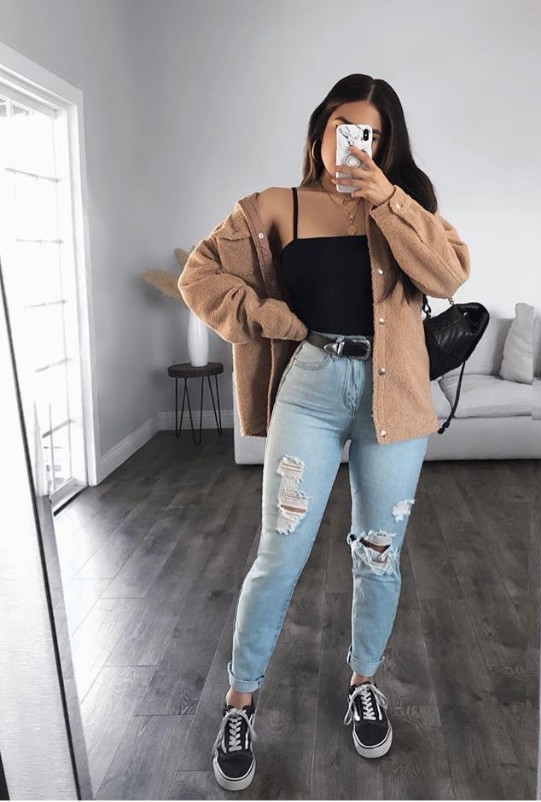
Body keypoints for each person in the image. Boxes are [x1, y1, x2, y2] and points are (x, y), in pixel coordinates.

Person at [178, 72, 470, 791]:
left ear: (386, 143)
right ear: (320, 131)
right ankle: (240, 702)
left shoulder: (406, 203)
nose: (354, 143)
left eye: (370, 133)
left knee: (379, 552)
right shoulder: (275, 207)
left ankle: (363, 681)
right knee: (279, 552)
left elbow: (448, 274)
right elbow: (199, 276)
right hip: (310, 387)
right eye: (343, 127)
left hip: (395, 393)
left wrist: (387, 197)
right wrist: (264, 316)